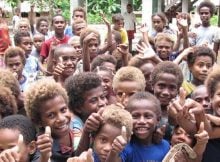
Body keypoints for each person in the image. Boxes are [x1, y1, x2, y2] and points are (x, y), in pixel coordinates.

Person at [24, 78, 100, 161]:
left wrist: (86, 131)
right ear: (38, 121)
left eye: (63, 110)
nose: (61, 118)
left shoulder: (75, 125)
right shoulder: (43, 143)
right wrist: (44, 157)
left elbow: (78, 156)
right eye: (51, 115)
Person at [116, 92, 170, 162]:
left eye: (147, 116)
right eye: (135, 116)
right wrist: (115, 151)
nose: (141, 121)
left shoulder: (165, 146)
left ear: (158, 119)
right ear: (128, 118)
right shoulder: (125, 147)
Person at [151, 61, 183, 141]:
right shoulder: (144, 108)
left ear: (178, 90)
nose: (165, 92)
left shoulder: (183, 111)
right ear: (152, 85)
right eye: (161, 86)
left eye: (172, 88)